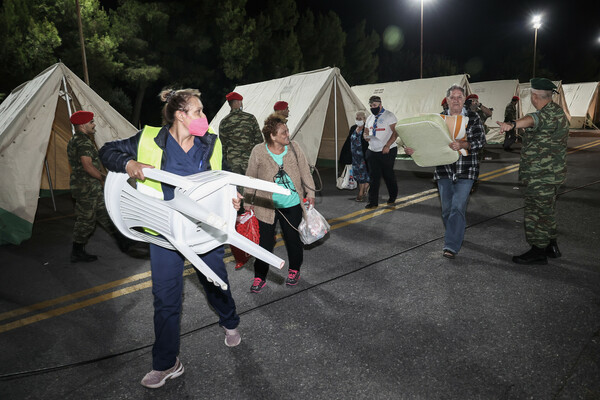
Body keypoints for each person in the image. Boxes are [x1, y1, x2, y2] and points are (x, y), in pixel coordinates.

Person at [99, 88, 242, 389]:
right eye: (199, 111)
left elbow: (226, 178)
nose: (204, 117)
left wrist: (234, 197)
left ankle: (229, 319)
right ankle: (166, 363)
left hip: (203, 231)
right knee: (165, 300)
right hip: (165, 233)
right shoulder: (148, 140)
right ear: (180, 114)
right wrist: (129, 164)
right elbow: (107, 152)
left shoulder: (211, 143)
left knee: (216, 284)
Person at [404, 85, 486, 259]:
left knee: (457, 207)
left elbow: (480, 141)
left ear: (464, 99)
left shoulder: (473, 117)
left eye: (459, 97)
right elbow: (426, 142)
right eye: (452, 97)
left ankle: (451, 245)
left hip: (467, 169)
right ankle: (456, 231)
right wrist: (414, 150)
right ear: (447, 100)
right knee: (447, 210)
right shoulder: (436, 120)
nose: (456, 100)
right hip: (444, 169)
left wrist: (464, 144)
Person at [497, 78, 569, 265]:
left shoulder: (546, 115)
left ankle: (538, 251)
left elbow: (532, 120)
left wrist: (512, 124)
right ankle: (551, 245)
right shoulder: (555, 111)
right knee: (547, 210)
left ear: (535, 96)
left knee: (535, 212)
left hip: (542, 175)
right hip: (550, 174)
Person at [244, 113, 315, 293]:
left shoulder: (294, 147)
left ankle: (294, 270)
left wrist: (310, 192)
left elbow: (305, 171)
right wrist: (247, 201)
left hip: (291, 204)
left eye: (287, 131)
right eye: (283, 132)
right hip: (265, 206)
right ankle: (260, 276)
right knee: (264, 244)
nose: (287, 135)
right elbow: (250, 177)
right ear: (272, 136)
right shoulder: (258, 151)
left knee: (293, 241)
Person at [66, 110, 132, 262]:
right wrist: (104, 178)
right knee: (86, 220)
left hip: (89, 187)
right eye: (91, 122)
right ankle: (77, 251)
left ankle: (124, 242)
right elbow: (88, 166)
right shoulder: (82, 141)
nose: (94, 125)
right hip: (86, 189)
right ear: (83, 125)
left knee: (106, 214)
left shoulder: (77, 140)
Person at [363, 95, 398, 209]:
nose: (372, 107)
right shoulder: (369, 118)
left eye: (375, 105)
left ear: (380, 104)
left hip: (387, 150)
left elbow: (395, 132)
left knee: (388, 175)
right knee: (374, 177)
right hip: (373, 150)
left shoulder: (389, 115)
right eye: (371, 106)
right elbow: (366, 131)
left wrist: (387, 145)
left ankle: (392, 196)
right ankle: (373, 201)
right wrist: (365, 136)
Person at [218, 91, 263, 175]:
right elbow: (259, 139)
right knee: (251, 184)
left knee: (237, 186)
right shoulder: (250, 118)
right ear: (239, 102)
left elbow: (223, 145)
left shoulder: (224, 122)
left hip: (232, 162)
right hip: (249, 159)